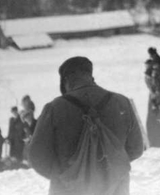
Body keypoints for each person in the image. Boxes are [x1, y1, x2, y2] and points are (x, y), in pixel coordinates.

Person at [27, 56, 144, 195]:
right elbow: (136, 148)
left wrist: (64, 175)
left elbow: (37, 156)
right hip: (116, 188)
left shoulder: (54, 108)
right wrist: (108, 168)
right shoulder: (122, 102)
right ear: (90, 75)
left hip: (68, 189)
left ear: (66, 81)